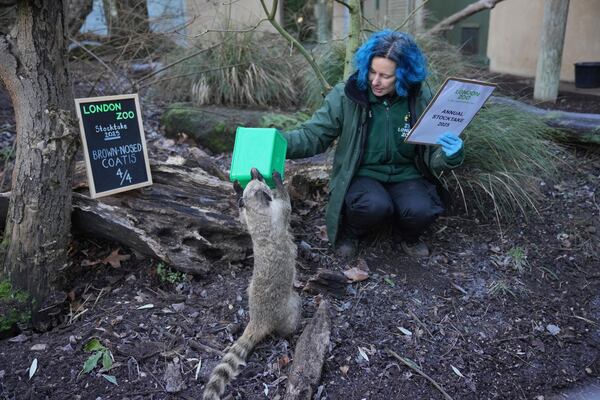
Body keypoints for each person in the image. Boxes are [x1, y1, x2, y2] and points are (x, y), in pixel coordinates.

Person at [282, 30, 464, 259]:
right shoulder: (346, 95)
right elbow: (313, 136)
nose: (375, 81)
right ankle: (351, 233)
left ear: (404, 75)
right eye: (371, 71)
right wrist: (277, 142)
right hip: (362, 174)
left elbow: (433, 153)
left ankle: (407, 235)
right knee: (374, 205)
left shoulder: (420, 98)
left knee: (421, 209)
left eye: (386, 76)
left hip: (406, 175)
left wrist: (450, 154)